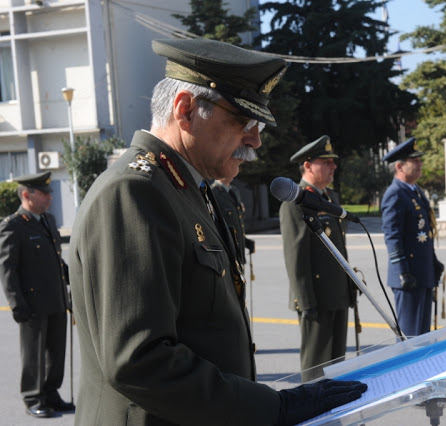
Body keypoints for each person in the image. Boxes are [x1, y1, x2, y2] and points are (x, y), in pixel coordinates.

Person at [68, 39, 366, 425]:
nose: (255, 140)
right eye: (244, 122)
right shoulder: (135, 192)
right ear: (186, 111)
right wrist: (272, 408)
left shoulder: (188, 189)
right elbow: (139, 360)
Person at [279, 135, 355, 381]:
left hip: (337, 293)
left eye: (334, 162)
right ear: (308, 165)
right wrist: (306, 300)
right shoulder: (295, 201)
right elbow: (295, 255)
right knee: (316, 367)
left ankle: (333, 415)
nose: (334, 167)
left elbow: (339, 249)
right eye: (326, 162)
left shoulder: (331, 198)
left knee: (337, 365)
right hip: (316, 296)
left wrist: (349, 285)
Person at [0, 171, 75, 418]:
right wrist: (16, 303)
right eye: (44, 194)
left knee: (56, 352)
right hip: (32, 303)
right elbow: (8, 269)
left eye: (49, 193)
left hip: (55, 298)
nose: (49, 198)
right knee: (34, 354)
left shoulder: (48, 221)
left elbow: (54, 259)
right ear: (26, 195)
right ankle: (33, 397)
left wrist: (74, 276)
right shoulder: (14, 226)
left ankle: (51, 395)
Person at [381, 138, 444, 338]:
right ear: (399, 166)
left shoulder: (416, 192)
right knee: (410, 337)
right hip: (408, 276)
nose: (419, 164)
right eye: (414, 161)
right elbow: (392, 236)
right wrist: (402, 271)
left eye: (419, 161)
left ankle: (421, 370)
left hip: (422, 272)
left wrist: (433, 262)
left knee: (422, 335)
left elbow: (424, 234)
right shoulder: (395, 194)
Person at [211, 177, 255, 266]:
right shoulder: (213, 193)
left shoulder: (234, 191)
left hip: (239, 254)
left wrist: (245, 241)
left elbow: (235, 222)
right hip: (226, 256)